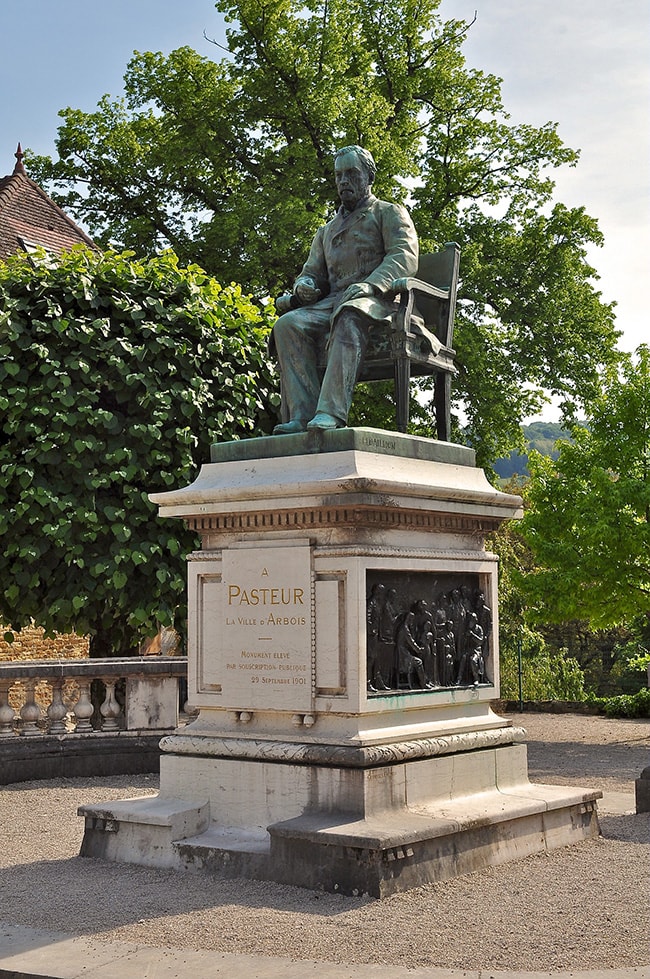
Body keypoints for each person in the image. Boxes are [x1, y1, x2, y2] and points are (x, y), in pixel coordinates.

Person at [272, 145, 419, 434]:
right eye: (339, 175)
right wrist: (305, 287)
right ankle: (302, 415)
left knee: (349, 313)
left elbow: (404, 256)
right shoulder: (325, 231)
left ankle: (330, 413)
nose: (343, 182)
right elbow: (311, 273)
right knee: (287, 324)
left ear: (369, 176)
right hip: (331, 303)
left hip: (379, 302)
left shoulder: (388, 213)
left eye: (352, 174)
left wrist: (370, 284)